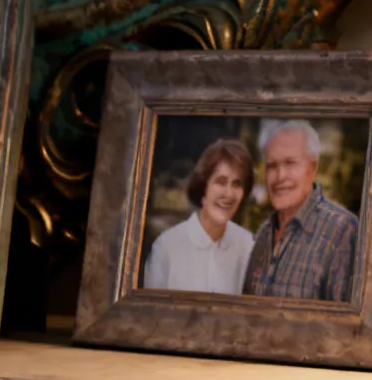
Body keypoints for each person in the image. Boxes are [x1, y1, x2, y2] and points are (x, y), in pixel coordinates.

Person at [240, 120, 360, 302]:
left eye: (290, 163)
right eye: (272, 166)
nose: (280, 176)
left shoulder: (342, 231)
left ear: (312, 168)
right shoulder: (264, 233)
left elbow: (347, 326)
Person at [143, 139, 255, 293]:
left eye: (237, 184)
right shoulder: (166, 248)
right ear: (203, 187)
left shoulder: (248, 246)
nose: (228, 193)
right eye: (220, 182)